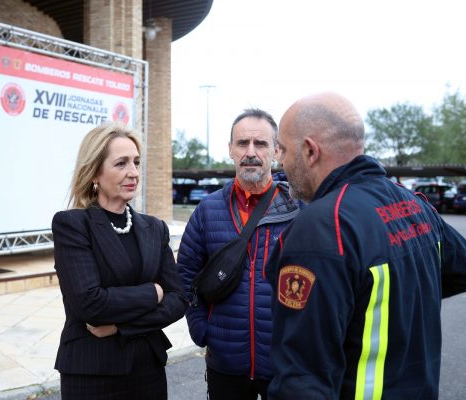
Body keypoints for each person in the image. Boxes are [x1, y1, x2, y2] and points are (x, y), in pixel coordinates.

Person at [266, 92, 466, 399]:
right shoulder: (415, 206)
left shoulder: (321, 229)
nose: (280, 161)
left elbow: (301, 381)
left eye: (283, 150)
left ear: (310, 151)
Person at [51, 122, 187, 400]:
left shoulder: (154, 228)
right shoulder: (73, 225)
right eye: (121, 163)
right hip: (92, 373)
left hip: (147, 370)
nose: (133, 173)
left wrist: (120, 327)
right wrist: (153, 292)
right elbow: (90, 304)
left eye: (136, 162)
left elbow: (178, 299)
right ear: (95, 173)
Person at [177, 108, 301, 399]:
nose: (250, 152)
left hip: (284, 363)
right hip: (225, 364)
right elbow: (184, 275)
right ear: (230, 150)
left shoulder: (299, 210)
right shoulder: (208, 211)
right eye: (242, 143)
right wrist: (201, 330)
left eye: (260, 144)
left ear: (276, 151)